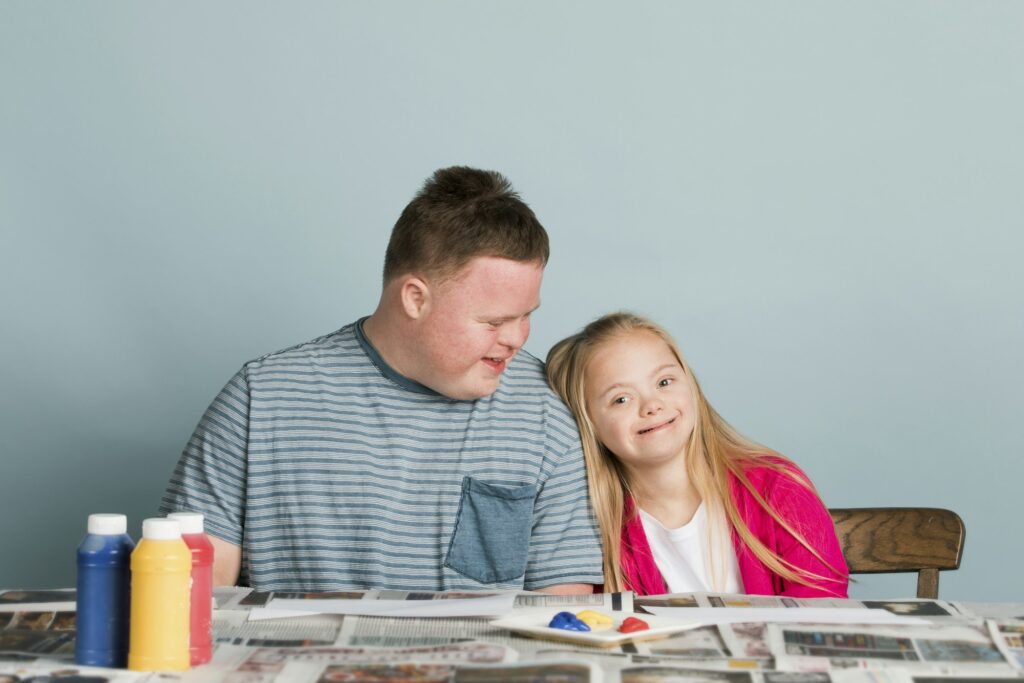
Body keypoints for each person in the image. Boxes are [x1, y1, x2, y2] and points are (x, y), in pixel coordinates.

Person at [160, 166, 603, 593]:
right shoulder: (261, 398)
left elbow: (560, 611)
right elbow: (191, 597)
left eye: (527, 315)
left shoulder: (548, 410)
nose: (517, 338)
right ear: (414, 298)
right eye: (494, 321)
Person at [546, 312, 849, 597]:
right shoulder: (592, 529)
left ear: (690, 384)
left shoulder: (777, 489)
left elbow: (821, 610)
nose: (652, 404)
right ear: (588, 422)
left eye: (664, 382)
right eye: (621, 399)